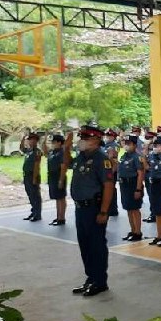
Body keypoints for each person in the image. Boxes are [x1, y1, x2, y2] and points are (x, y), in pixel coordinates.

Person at [64, 126, 114, 297]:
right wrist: (66, 148)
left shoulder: (102, 159)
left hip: (94, 208)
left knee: (96, 245)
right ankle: (90, 278)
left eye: (85, 137)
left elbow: (108, 186)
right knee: (84, 245)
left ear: (95, 140)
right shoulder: (81, 157)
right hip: (80, 208)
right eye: (81, 137)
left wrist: (104, 211)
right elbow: (67, 163)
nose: (81, 140)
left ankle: (100, 282)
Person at [118, 134, 145, 241]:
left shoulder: (137, 157)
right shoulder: (124, 156)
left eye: (129, 144)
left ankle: (138, 232)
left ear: (134, 145)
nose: (126, 145)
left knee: (135, 209)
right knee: (128, 209)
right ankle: (133, 230)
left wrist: (138, 189)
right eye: (125, 143)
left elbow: (140, 173)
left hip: (133, 184)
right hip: (124, 185)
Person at [43, 132, 68, 225]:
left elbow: (63, 167)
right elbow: (45, 151)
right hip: (52, 176)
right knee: (57, 198)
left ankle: (62, 218)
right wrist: (44, 139)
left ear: (59, 142)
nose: (52, 143)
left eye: (54, 141)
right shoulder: (53, 152)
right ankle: (58, 217)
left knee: (61, 197)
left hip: (59, 175)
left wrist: (61, 180)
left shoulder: (62, 153)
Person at [20, 131, 43, 222]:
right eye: (29, 140)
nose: (30, 142)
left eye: (32, 140)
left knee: (35, 195)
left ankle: (37, 214)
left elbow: (37, 165)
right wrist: (23, 138)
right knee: (30, 194)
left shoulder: (37, 152)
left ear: (36, 141)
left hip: (33, 175)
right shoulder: (29, 150)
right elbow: (21, 148)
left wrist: (34, 178)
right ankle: (33, 211)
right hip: (26, 175)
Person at [101, 128, 120, 217]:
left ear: (113, 137)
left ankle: (113, 209)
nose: (107, 137)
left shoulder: (114, 145)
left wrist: (112, 171)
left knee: (111, 189)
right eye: (106, 135)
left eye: (109, 136)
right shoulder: (105, 145)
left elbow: (112, 158)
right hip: (105, 169)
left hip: (112, 169)